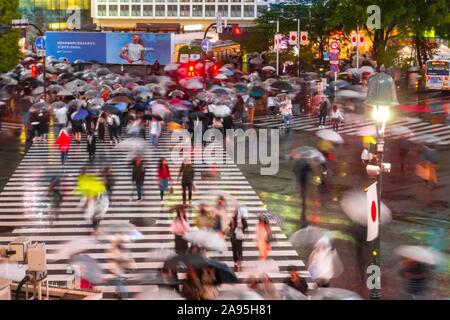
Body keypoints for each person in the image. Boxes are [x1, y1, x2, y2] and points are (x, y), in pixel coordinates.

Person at [108, 235, 136, 300]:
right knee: (120, 281)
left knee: (119, 280)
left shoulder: (121, 248)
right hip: (117, 269)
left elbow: (128, 257)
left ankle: (117, 294)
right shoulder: (113, 248)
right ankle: (121, 295)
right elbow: (112, 257)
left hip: (120, 268)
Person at [293, 158, 312, 227]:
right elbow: (311, 171)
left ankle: (303, 201)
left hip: (301, 179)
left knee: (302, 191)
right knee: (303, 191)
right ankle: (303, 201)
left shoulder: (298, 163)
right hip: (304, 180)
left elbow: (294, 170)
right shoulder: (306, 163)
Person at [229, 207, 248, 271]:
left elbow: (245, 226)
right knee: (234, 249)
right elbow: (230, 226)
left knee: (239, 249)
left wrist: (240, 223)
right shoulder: (232, 219)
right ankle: (235, 262)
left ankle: (239, 262)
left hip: (239, 236)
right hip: (233, 236)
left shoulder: (242, 219)